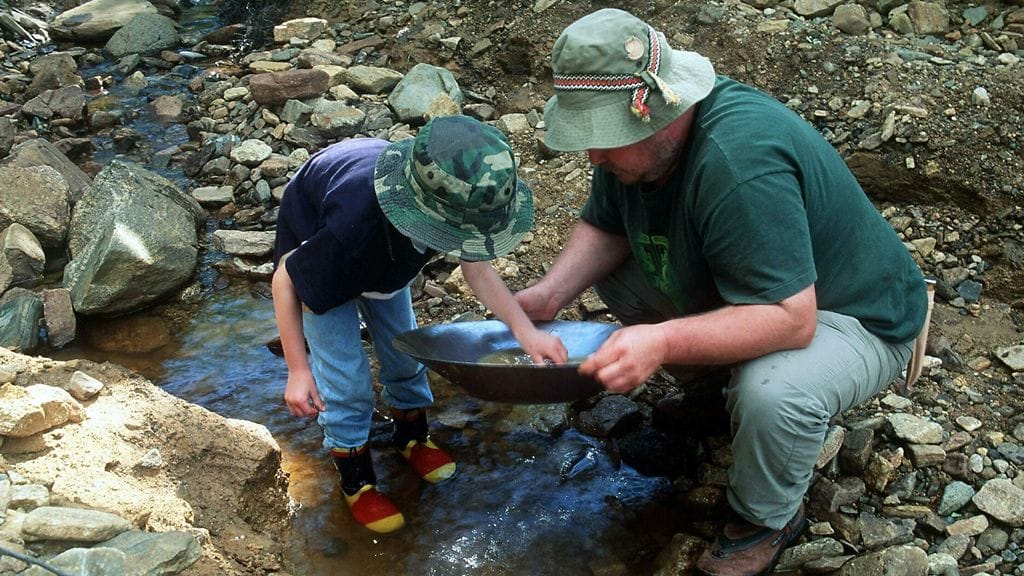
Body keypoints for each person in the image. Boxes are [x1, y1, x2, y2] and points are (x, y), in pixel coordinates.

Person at [514, 9, 928, 576]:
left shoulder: (738, 163)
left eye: (602, 141)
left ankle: (767, 517)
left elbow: (791, 320)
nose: (593, 157)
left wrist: (660, 342)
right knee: (620, 272)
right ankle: (718, 398)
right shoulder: (631, 147)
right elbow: (608, 228)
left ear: (657, 114)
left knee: (775, 392)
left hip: (856, 314)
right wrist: (547, 296)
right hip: (766, 290)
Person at [272, 115, 568, 534]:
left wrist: (527, 333)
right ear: (421, 214)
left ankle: (410, 436)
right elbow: (286, 277)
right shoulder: (351, 231)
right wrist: (298, 371)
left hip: (385, 261)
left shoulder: (454, 199)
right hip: (327, 260)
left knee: (406, 352)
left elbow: (477, 271)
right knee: (345, 381)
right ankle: (356, 478)